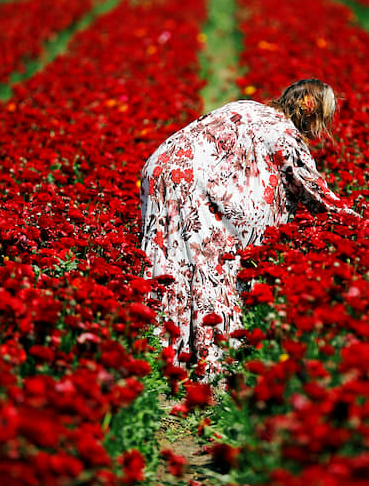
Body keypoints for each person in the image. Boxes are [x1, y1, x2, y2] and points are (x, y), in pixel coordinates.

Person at [139, 79, 356, 379]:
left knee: (170, 262)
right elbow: (315, 191)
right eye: (325, 116)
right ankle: (210, 360)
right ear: (310, 107)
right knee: (212, 264)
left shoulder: (249, 107)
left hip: (159, 167)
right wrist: (359, 222)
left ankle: (157, 353)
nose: (323, 128)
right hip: (189, 181)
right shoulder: (284, 133)